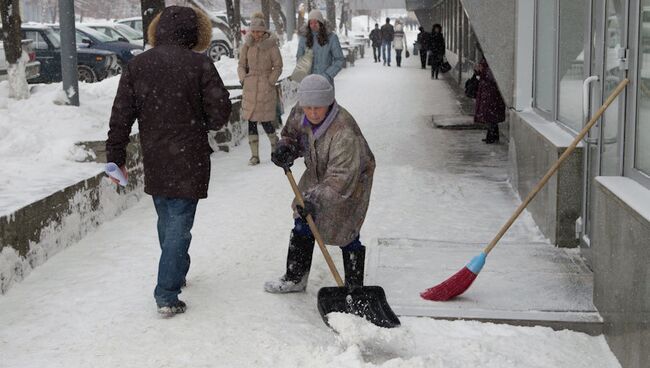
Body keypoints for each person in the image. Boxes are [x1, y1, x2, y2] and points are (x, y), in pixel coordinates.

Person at [105, 6, 232, 317]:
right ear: (196, 33)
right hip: (190, 158)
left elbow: (120, 117)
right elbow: (220, 114)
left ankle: (177, 271)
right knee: (178, 224)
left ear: (157, 30)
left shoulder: (137, 66)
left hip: (156, 157)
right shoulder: (200, 65)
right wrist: (197, 117)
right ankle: (167, 294)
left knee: (168, 219)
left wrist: (115, 158)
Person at [264, 74, 375, 293]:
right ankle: (295, 277)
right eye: (309, 107)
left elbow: (340, 178)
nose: (313, 113)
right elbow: (292, 135)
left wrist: (313, 200)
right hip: (318, 171)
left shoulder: (344, 132)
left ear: (330, 103)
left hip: (351, 179)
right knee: (302, 219)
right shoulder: (300, 111)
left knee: (347, 229)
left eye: (319, 108)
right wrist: (286, 147)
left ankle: (353, 287)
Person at [238, 12, 283, 166]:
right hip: (250, 88)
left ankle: (275, 148)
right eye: (254, 31)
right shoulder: (247, 45)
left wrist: (271, 81)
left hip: (265, 88)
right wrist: (243, 78)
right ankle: (254, 155)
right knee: (251, 121)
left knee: (266, 121)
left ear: (264, 31)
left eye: (259, 31)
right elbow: (241, 64)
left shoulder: (271, 46)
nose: (256, 34)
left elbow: (278, 66)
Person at [296, 9, 345, 87]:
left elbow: (339, 60)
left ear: (321, 23)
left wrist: (327, 75)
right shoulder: (304, 38)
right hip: (308, 83)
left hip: (325, 83)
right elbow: (299, 58)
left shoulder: (331, 37)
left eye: (316, 22)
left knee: (325, 99)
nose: (313, 25)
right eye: (311, 23)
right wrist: (304, 76)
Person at [474, 57, 506, 144]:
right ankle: (494, 137)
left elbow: (490, 78)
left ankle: (491, 137)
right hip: (490, 95)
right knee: (492, 117)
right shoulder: (487, 66)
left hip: (492, 96)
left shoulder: (490, 68)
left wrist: (482, 71)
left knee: (491, 117)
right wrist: (478, 71)